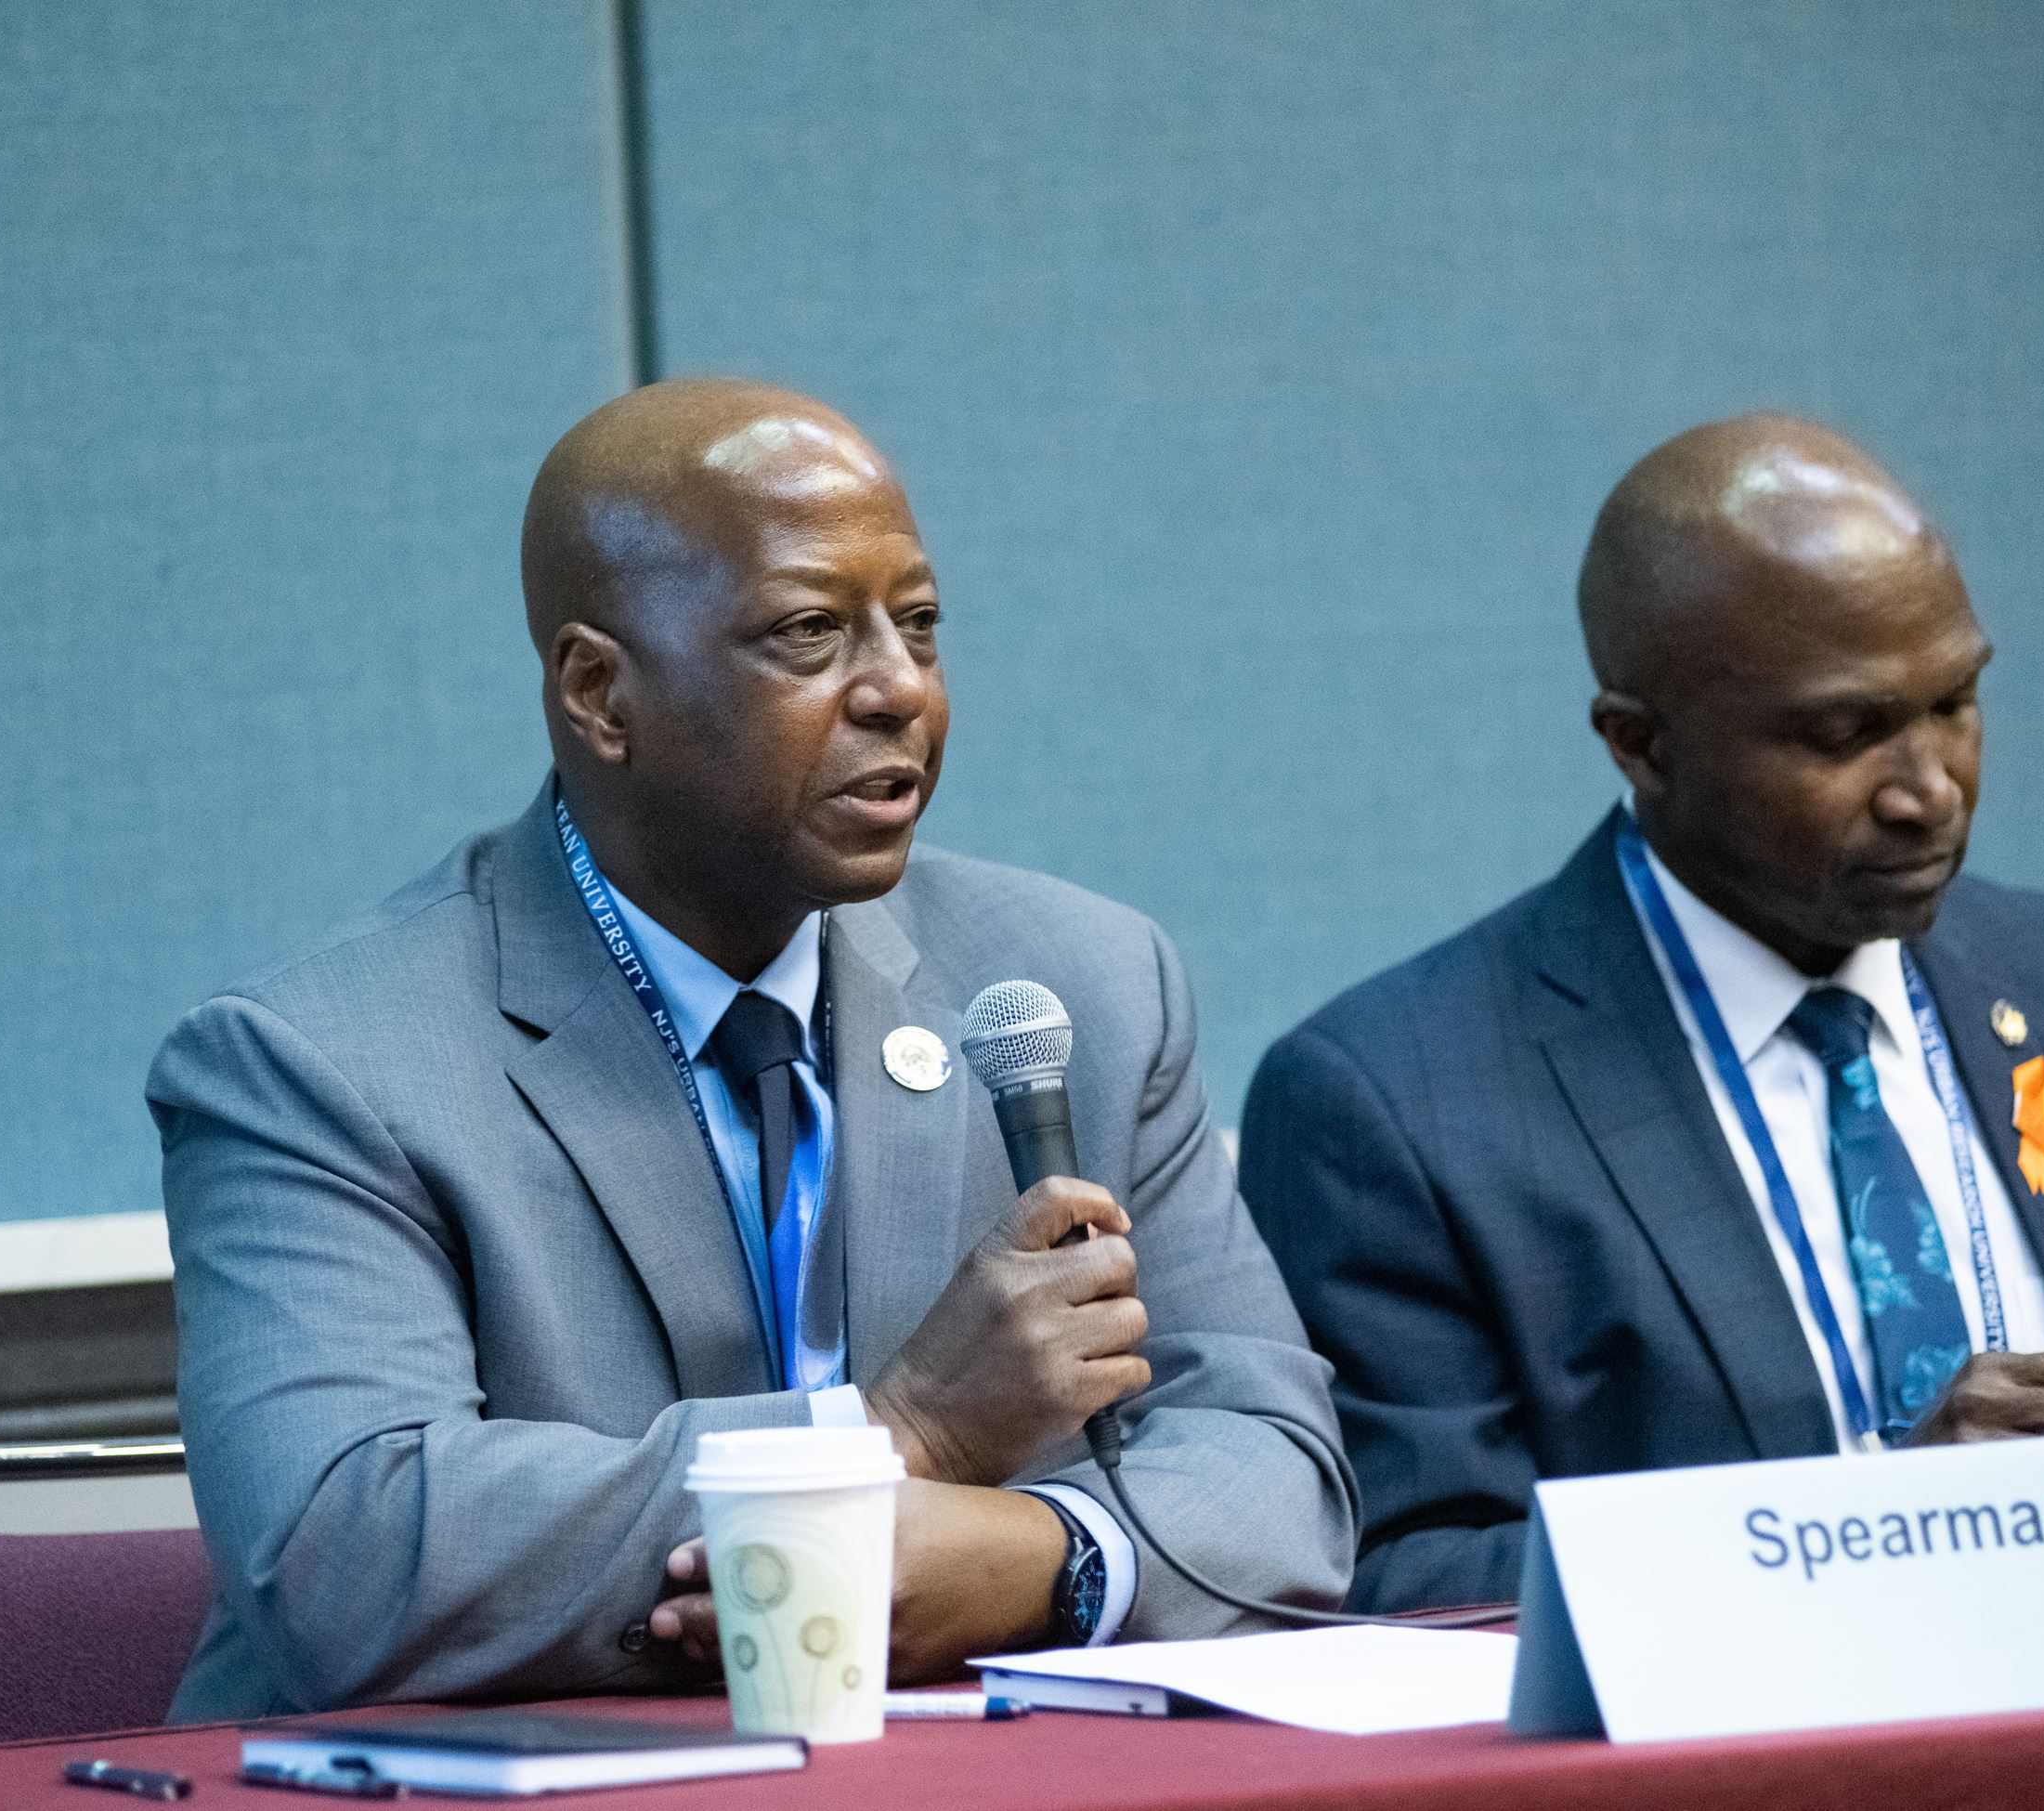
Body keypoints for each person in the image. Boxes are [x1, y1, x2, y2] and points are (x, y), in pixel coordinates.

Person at [150, 378, 1354, 1716]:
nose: (897, 688)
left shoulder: (1083, 980)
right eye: (807, 633)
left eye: (920, 625)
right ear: (600, 693)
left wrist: (1056, 1561)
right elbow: (350, 1552)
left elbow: (1281, 1469)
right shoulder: (319, 1060)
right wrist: (898, 1442)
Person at [1239, 414, 2044, 1615]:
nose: (1929, 788)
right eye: (1845, 733)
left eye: (1955, 701)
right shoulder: (1394, 1103)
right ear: (1639, 744)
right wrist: (1882, 1522)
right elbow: (1400, 1573)